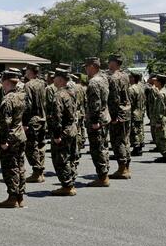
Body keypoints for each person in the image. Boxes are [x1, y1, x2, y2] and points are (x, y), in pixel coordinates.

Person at [0, 69, 27, 209]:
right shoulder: (21, 96)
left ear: (7, 82)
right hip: (20, 135)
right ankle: (20, 196)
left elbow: (5, 123)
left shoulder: (7, 100)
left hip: (11, 137)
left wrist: (3, 141)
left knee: (10, 167)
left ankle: (12, 197)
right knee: (20, 166)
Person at [48, 69, 79, 196]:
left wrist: (56, 135)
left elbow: (57, 116)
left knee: (61, 159)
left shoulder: (59, 95)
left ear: (60, 79)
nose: (52, 80)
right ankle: (71, 181)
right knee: (71, 157)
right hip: (72, 128)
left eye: (55, 78)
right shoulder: (71, 92)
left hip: (63, 131)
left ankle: (67, 186)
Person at [84, 57, 111, 187]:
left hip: (97, 120)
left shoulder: (93, 82)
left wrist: (94, 120)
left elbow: (95, 103)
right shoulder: (104, 79)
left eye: (87, 66)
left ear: (92, 67)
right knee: (103, 147)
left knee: (97, 149)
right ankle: (104, 173)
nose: (85, 69)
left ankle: (102, 177)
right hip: (105, 117)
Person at [105, 54, 132, 179]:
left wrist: (114, 116)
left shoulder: (113, 78)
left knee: (117, 141)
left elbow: (114, 98)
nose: (108, 64)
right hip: (126, 111)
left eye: (110, 62)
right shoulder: (125, 75)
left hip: (118, 112)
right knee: (125, 139)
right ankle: (126, 167)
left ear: (114, 63)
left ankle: (122, 169)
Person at [22, 63, 47, 183]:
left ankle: (37, 172)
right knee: (41, 145)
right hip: (43, 118)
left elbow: (27, 105)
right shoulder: (43, 83)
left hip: (33, 119)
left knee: (31, 146)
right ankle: (40, 171)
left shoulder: (28, 85)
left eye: (27, 70)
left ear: (30, 71)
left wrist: (25, 122)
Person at [150, 74, 166, 163]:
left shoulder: (160, 94)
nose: (154, 82)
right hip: (165, 118)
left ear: (159, 82)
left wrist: (158, 121)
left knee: (162, 137)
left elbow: (160, 109)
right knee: (164, 136)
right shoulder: (165, 91)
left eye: (156, 80)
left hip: (161, 118)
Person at [128, 72, 147, 157]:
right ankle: (139, 146)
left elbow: (130, 103)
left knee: (134, 131)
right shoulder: (140, 88)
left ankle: (136, 148)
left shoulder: (131, 89)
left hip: (134, 112)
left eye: (130, 77)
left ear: (133, 78)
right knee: (139, 130)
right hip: (140, 111)